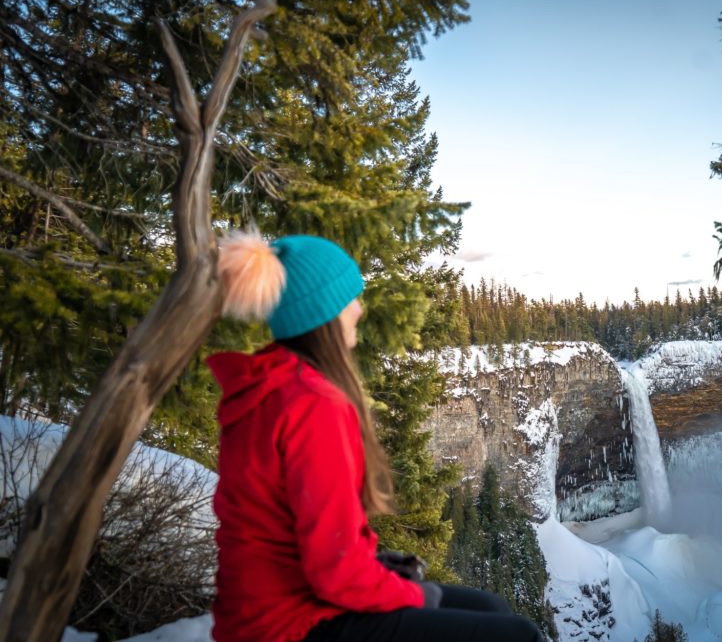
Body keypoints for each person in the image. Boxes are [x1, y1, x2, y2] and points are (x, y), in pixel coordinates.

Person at [206, 232, 545, 642]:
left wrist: (378, 565)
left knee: (491, 608)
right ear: (323, 312)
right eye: (351, 297)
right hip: (292, 626)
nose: (360, 309)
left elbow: (292, 532)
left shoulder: (265, 388)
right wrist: (413, 595)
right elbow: (336, 575)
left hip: (256, 610)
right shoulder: (312, 404)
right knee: (519, 635)